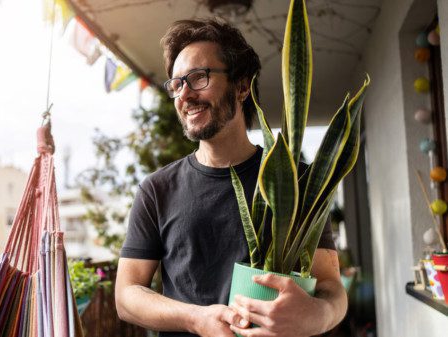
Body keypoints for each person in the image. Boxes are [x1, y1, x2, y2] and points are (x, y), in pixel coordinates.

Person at [115, 19, 347, 337]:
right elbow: (126, 296)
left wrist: (316, 316)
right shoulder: (157, 190)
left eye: (198, 78)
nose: (184, 95)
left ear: (241, 86)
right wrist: (195, 318)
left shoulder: (296, 183)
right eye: (177, 84)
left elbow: (331, 288)